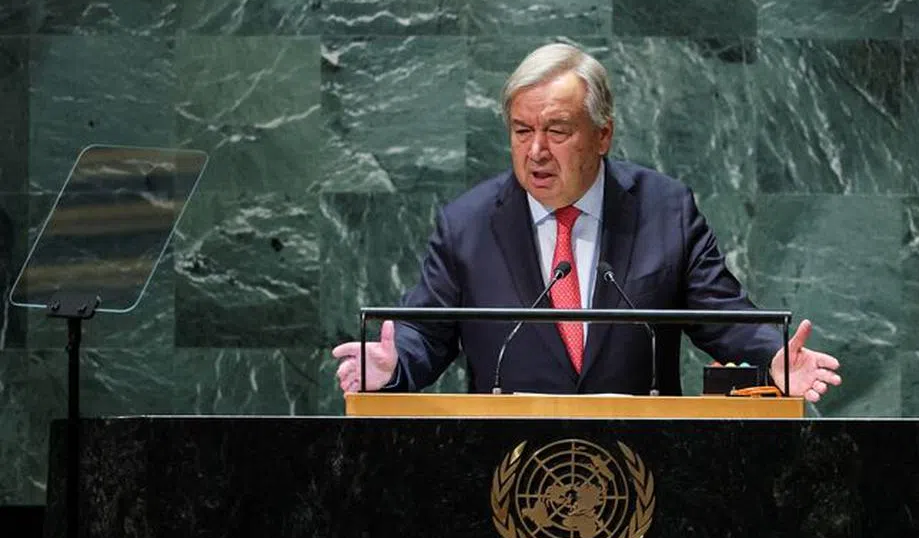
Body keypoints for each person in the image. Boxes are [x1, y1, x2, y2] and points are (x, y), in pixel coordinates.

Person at [333, 42, 841, 400]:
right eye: (521, 130)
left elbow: (724, 317)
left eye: (557, 130)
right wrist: (392, 365)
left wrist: (774, 356)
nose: (536, 150)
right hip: (508, 467)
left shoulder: (664, 211)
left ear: (603, 135)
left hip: (642, 465)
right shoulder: (467, 225)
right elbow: (424, 332)